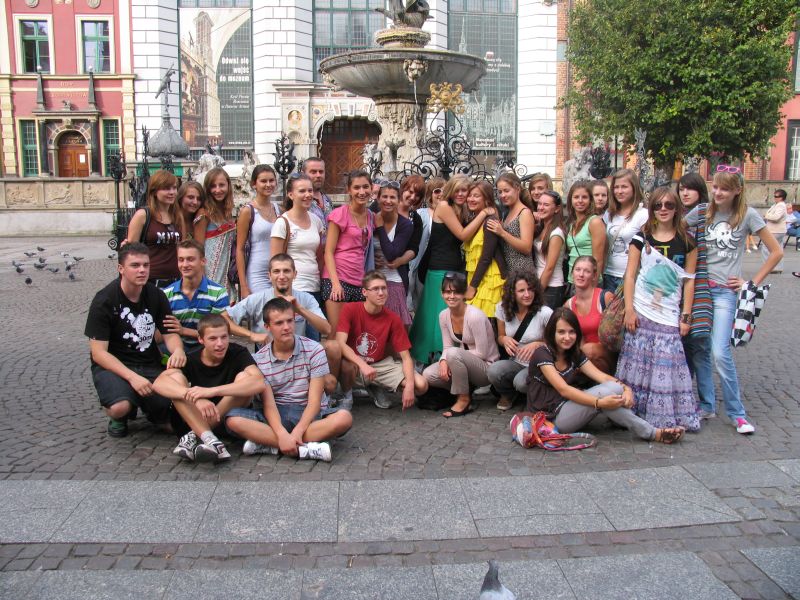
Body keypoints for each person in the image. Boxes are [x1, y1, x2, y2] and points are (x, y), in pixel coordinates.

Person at [685, 167, 783, 434]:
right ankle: (706, 405)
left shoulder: (748, 215)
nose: (718, 193)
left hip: (725, 293)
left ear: (737, 190)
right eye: (716, 187)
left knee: (720, 352)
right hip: (701, 290)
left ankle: (737, 414)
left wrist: (751, 283)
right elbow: (676, 230)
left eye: (725, 189)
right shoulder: (703, 211)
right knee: (700, 348)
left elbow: (776, 252)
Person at [526, 308, 685, 444]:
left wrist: (626, 389)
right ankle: (652, 433)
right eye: (561, 332)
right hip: (550, 419)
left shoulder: (574, 353)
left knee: (614, 388)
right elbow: (564, 390)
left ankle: (652, 432)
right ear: (552, 332)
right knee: (606, 395)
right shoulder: (542, 354)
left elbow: (602, 377)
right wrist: (599, 402)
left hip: (570, 407)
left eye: (571, 332)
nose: (567, 337)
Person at [225, 298, 352, 462]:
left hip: (309, 414)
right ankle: (304, 449)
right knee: (233, 420)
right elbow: (269, 404)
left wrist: (298, 431)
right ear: (267, 327)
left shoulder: (314, 350)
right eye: (279, 323)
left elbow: (314, 402)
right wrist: (281, 434)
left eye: (290, 321)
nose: (286, 327)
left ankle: (270, 445)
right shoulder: (259, 359)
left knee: (344, 418)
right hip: (276, 415)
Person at [616, 187, 700, 432]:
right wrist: (629, 309)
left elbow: (689, 281)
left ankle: (662, 413)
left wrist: (686, 316)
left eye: (669, 205)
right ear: (651, 208)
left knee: (666, 363)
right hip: (642, 309)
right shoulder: (642, 237)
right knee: (638, 362)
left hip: (669, 311)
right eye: (658, 205)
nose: (663, 209)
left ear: (677, 209)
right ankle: (632, 412)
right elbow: (630, 275)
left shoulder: (688, 242)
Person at [85, 243, 186, 437]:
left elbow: (170, 333)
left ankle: (150, 408)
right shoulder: (104, 300)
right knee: (120, 406)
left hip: (149, 363)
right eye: (135, 265)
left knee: (173, 415)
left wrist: (178, 350)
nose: (142, 270)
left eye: (146, 265)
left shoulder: (156, 295)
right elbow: (98, 353)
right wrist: (132, 378)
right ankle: (120, 413)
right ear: (121, 268)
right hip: (114, 366)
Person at [153, 315, 265, 462]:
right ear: (201, 339)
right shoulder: (191, 358)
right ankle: (209, 439)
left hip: (225, 419)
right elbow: (159, 383)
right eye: (213, 339)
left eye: (224, 337)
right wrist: (195, 397)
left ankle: (197, 436)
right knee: (176, 381)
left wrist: (212, 391)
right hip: (191, 419)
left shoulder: (238, 353)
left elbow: (259, 382)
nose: (220, 344)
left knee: (245, 379)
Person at [223, 253, 340, 394]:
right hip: (269, 363)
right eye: (276, 271)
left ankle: (327, 399)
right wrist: (251, 335)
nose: (282, 276)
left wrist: (300, 309)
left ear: (295, 274)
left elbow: (327, 329)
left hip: (300, 359)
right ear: (269, 275)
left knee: (333, 353)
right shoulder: (258, 298)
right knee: (243, 378)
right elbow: (223, 319)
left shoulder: (306, 298)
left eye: (286, 271)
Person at [409, 175, 491, 363]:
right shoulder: (444, 206)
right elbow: (462, 235)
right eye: (458, 190)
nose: (461, 194)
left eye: (465, 191)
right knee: (439, 317)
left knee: (448, 315)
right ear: (451, 190)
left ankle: (446, 357)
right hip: (440, 269)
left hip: (452, 268)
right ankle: (436, 357)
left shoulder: (458, 208)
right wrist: (484, 213)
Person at [337, 271, 428, 409]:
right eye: (375, 289)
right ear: (364, 292)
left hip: (379, 365)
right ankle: (346, 395)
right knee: (345, 365)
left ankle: (374, 385)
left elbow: (406, 357)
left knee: (421, 385)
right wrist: (362, 365)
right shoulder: (350, 309)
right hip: (354, 363)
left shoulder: (393, 318)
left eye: (384, 288)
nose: (381, 293)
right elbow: (340, 343)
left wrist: (409, 386)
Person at [423, 272, 500, 417]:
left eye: (456, 292)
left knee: (453, 353)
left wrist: (451, 357)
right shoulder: (443, 315)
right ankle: (463, 389)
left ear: (464, 294)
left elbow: (482, 353)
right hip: (461, 362)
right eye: (447, 292)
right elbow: (447, 347)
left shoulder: (475, 316)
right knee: (428, 374)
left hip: (485, 367)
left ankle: (464, 399)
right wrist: (443, 360)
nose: (451, 296)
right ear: (442, 293)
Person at [677, 172, 716, 420]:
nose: (684, 193)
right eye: (681, 189)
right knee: (685, 347)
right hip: (680, 287)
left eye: (689, 189)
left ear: (700, 191)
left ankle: (707, 404)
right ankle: (687, 397)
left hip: (700, 285)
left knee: (699, 346)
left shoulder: (705, 214)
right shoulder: (681, 215)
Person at [488, 271, 552, 411]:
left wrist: (538, 344)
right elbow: (500, 337)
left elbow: (556, 344)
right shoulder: (502, 308)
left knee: (521, 383)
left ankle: (537, 395)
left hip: (537, 364)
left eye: (530, 289)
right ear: (512, 293)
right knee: (493, 371)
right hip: (515, 361)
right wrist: (505, 339)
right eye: (521, 290)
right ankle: (509, 394)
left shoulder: (545, 312)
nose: (527, 294)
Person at [322, 170, 375, 331]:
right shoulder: (339, 214)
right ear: (349, 190)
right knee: (337, 333)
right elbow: (328, 252)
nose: (362, 192)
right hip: (338, 279)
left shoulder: (370, 216)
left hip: (358, 280)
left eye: (365, 187)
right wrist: (335, 284)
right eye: (356, 187)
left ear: (371, 188)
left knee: (355, 334)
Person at [270, 173, 325, 316]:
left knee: (315, 329)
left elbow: (319, 257)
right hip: (294, 287)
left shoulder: (316, 221)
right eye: (302, 191)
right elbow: (275, 261)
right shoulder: (282, 222)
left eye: (310, 190)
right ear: (291, 195)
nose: (308, 195)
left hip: (315, 286)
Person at [161, 240, 229, 350]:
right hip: (176, 347)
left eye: (190, 259)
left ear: (203, 261)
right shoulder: (166, 294)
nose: (185, 265)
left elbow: (219, 332)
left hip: (208, 348)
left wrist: (183, 330)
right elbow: (166, 331)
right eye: (181, 260)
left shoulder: (218, 293)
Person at [125, 170, 184, 287]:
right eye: (166, 188)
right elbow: (131, 251)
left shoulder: (177, 216)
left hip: (175, 280)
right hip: (150, 281)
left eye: (174, 188)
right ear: (155, 191)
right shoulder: (143, 215)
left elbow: (180, 247)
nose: (172, 192)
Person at [236, 165, 282, 298]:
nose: (268, 184)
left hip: (278, 272)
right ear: (254, 184)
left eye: (271, 180)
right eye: (263, 181)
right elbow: (239, 249)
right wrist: (243, 286)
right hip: (256, 273)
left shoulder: (279, 209)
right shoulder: (247, 211)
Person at [564, 256, 616, 374]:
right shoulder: (569, 305)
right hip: (583, 357)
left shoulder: (605, 297)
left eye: (587, 271)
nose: (581, 274)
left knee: (588, 349)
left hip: (606, 354)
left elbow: (616, 335)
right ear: (572, 273)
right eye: (578, 270)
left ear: (594, 276)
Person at [373, 180, 414, 327]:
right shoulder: (369, 219)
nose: (388, 201)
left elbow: (392, 254)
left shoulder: (405, 225)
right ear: (378, 198)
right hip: (372, 279)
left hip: (394, 279)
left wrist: (380, 227)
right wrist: (372, 260)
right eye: (384, 196)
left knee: (395, 327)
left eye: (392, 197)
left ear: (399, 200)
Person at [464, 180, 507, 318]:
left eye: (476, 196)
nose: (471, 199)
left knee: (484, 319)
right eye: (470, 195)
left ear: (487, 199)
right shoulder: (477, 218)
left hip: (489, 279)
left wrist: (473, 286)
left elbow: (486, 257)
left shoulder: (490, 221)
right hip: (478, 276)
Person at [194, 167, 237, 300]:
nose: (217, 190)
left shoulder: (228, 212)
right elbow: (198, 249)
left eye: (221, 185)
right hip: (210, 275)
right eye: (213, 186)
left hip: (227, 276)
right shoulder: (204, 213)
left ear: (228, 186)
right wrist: (201, 282)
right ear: (207, 189)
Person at [603, 168, 649, 292]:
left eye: (624, 187)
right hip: (608, 274)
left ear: (634, 188)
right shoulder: (608, 213)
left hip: (630, 276)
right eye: (616, 187)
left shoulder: (643, 215)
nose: (619, 191)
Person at [487, 172, 535, 274]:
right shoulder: (507, 212)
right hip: (510, 271)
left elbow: (527, 248)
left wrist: (502, 233)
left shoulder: (524, 212)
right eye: (500, 192)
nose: (502, 195)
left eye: (506, 191)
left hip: (523, 272)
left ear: (517, 189)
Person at [408, 177, 444, 311]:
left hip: (440, 267)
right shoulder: (421, 214)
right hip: (421, 267)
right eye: (437, 191)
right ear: (430, 194)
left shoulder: (452, 214)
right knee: (421, 305)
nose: (441, 194)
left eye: (445, 191)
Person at [564, 181, 606, 288]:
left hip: (589, 281)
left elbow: (598, 260)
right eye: (576, 197)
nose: (580, 201)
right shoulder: (572, 223)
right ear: (570, 200)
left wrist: (592, 287)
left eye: (584, 197)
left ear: (590, 200)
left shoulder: (594, 222)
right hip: (573, 279)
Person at [534, 190, 566, 308]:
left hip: (551, 287)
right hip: (540, 282)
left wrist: (537, 293)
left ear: (557, 209)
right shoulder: (542, 227)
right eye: (539, 204)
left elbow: (549, 268)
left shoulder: (556, 233)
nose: (541, 207)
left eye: (546, 205)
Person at [302, 157, 333, 230]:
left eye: (321, 172)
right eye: (313, 172)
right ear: (303, 174)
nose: (318, 175)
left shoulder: (327, 200)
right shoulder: (300, 201)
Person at [762, 188, 787, 273]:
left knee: (766, 247)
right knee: (778, 249)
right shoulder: (775, 205)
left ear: (782, 197)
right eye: (774, 196)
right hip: (778, 231)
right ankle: (778, 268)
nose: (775, 198)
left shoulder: (781, 205)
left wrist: (766, 216)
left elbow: (776, 217)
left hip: (775, 231)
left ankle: (768, 267)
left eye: (777, 196)